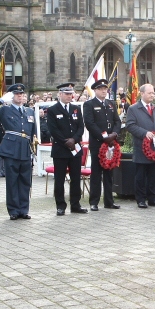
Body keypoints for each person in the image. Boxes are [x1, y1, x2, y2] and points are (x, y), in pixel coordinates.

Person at [0, 84, 36, 220]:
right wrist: (0, 100)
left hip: (25, 149)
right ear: (11, 96)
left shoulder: (29, 111)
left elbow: (33, 131)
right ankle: (13, 210)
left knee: (25, 181)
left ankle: (24, 209)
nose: (20, 96)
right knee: (12, 181)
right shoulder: (4, 110)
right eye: (17, 94)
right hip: (11, 149)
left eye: (21, 94)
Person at [47, 83, 87, 216]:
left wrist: (74, 140)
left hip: (75, 148)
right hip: (61, 149)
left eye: (71, 94)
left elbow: (81, 127)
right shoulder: (53, 110)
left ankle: (75, 204)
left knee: (76, 178)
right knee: (59, 179)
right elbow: (53, 130)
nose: (70, 96)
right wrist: (66, 141)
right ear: (60, 94)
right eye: (67, 94)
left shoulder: (76, 108)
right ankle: (60, 205)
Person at [126, 83, 155, 209]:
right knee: (141, 175)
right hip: (141, 147)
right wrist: (145, 133)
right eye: (149, 93)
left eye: (153, 93)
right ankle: (141, 199)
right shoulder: (133, 109)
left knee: (153, 175)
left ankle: (153, 198)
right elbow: (130, 125)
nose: (152, 95)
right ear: (142, 93)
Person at [82, 79, 121, 211]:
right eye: (101, 89)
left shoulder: (111, 104)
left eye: (105, 89)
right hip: (98, 143)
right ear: (95, 90)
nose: (104, 91)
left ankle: (109, 201)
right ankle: (94, 201)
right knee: (96, 173)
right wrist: (104, 137)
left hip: (111, 143)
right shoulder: (89, 104)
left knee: (109, 173)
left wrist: (114, 134)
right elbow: (90, 124)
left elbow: (117, 121)